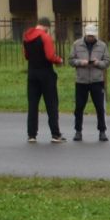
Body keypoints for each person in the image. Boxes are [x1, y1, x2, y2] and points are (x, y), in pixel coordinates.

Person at [23, 16, 65, 144]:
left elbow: (26, 55)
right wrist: (59, 60)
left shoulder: (26, 37)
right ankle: (55, 134)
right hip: (46, 74)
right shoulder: (45, 37)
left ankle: (31, 135)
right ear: (46, 26)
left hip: (32, 73)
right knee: (51, 104)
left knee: (33, 105)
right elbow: (50, 55)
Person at [70, 22, 110, 142]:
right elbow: (71, 60)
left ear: (95, 35)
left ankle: (102, 131)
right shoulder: (76, 44)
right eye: (89, 36)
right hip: (81, 81)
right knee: (79, 107)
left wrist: (98, 63)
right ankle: (78, 131)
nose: (90, 38)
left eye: (92, 36)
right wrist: (80, 62)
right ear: (85, 34)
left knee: (99, 107)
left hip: (97, 81)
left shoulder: (102, 46)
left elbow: (108, 61)